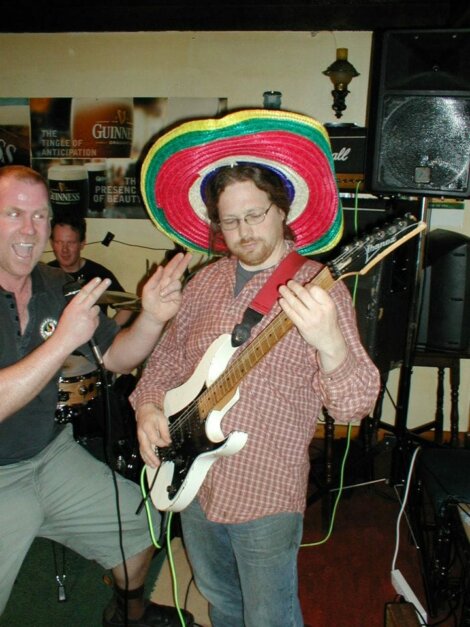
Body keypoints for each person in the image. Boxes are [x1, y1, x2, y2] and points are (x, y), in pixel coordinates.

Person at [129, 109, 381, 626]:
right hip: (194, 482)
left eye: (256, 214)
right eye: (230, 220)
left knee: (270, 616)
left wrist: (330, 343)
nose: (244, 231)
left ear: (283, 209)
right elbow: (167, 359)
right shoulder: (205, 282)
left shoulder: (318, 287)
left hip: (266, 489)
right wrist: (149, 407)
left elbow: (356, 405)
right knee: (221, 599)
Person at [0, 164, 194, 627]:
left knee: (139, 527)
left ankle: (128, 613)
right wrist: (63, 341)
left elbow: (116, 358)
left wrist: (150, 317)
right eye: (13, 213)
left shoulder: (55, 286)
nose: (30, 229)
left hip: (51, 454)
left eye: (40, 216)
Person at [49, 214, 134, 326]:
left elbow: (127, 307)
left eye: (71, 243)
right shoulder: (45, 275)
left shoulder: (99, 275)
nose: (64, 250)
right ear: (52, 243)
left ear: (82, 243)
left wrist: (108, 334)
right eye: (59, 242)